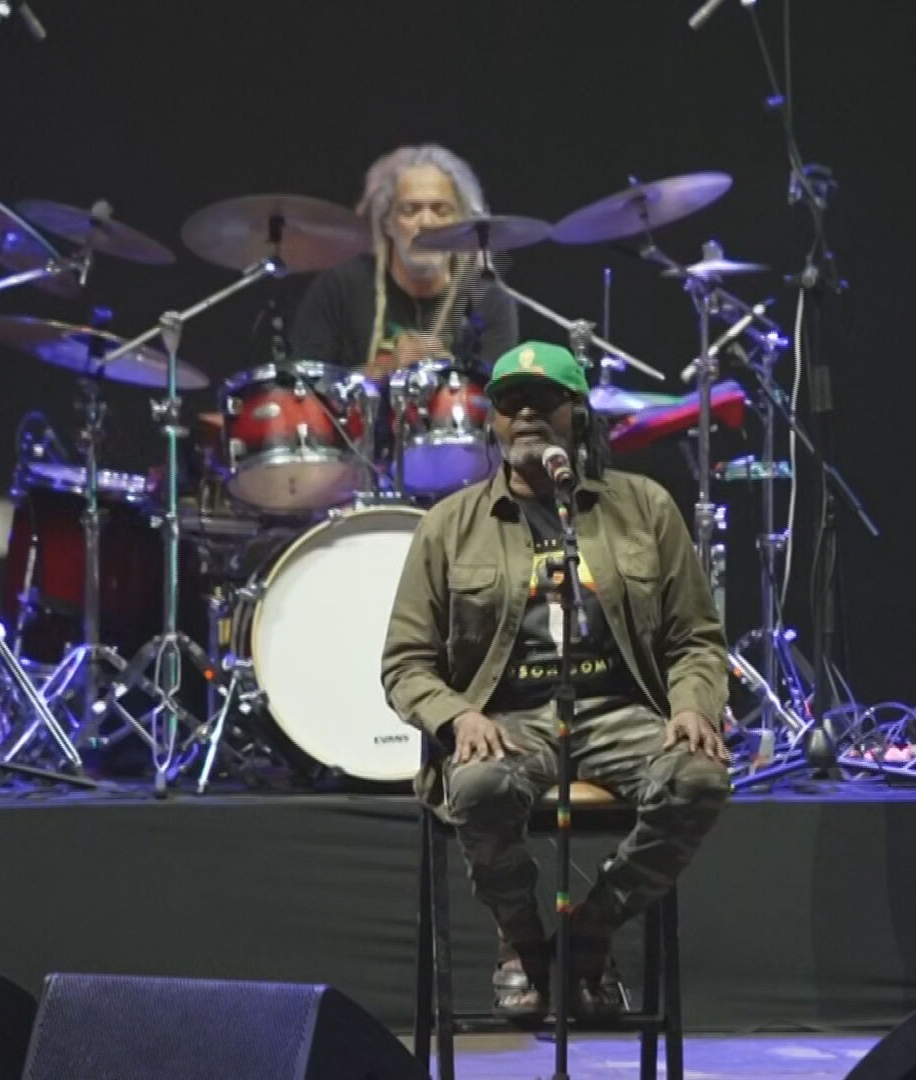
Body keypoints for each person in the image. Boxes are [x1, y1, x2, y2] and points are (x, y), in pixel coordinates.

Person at [382, 341, 731, 1019]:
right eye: (509, 403)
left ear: (579, 415)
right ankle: (519, 937)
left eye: (544, 402)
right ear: (491, 420)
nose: (525, 415)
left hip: (618, 712)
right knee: (478, 786)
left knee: (699, 777)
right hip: (505, 718)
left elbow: (695, 636)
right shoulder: (450, 525)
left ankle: (588, 931)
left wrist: (693, 705)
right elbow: (405, 661)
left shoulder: (646, 507)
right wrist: (458, 717)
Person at [291, 144, 520, 379]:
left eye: (441, 210)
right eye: (410, 210)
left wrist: (447, 370)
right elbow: (304, 388)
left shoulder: (487, 298)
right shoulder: (339, 288)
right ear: (387, 222)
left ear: (463, 221)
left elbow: (498, 396)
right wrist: (386, 368)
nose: (426, 223)